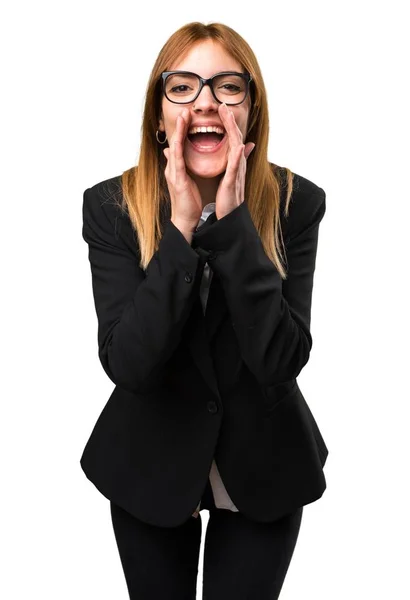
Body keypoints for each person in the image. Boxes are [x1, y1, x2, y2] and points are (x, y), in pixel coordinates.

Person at [81, 20, 329, 600]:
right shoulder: (111, 208)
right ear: (159, 116)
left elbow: (280, 360)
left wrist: (236, 226)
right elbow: (130, 363)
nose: (205, 102)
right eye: (183, 86)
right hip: (149, 459)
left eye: (227, 87)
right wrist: (182, 229)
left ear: (251, 112)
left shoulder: (297, 204)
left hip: (265, 462)